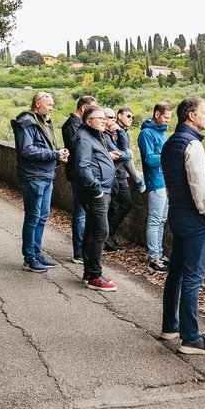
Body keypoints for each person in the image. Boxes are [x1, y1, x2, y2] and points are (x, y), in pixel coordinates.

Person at [160, 96, 205, 354]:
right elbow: (198, 184)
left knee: (176, 273)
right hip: (195, 218)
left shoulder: (170, 143)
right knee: (193, 278)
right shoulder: (192, 145)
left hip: (177, 213)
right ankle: (191, 337)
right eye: (204, 112)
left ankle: (170, 326)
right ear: (190, 115)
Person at [11, 92, 68, 272]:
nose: (51, 108)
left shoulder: (44, 122)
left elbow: (44, 147)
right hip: (33, 176)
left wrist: (58, 152)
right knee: (33, 217)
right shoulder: (26, 123)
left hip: (46, 175)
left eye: (52, 105)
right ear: (37, 104)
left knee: (42, 217)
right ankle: (29, 257)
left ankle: (37, 253)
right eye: (49, 105)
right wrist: (54, 154)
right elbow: (26, 150)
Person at [72, 107, 118, 292]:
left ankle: (89, 272)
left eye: (104, 118)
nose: (103, 121)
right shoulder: (84, 138)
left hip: (102, 190)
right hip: (96, 192)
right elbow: (82, 167)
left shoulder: (95, 135)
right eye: (99, 118)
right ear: (88, 120)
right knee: (101, 232)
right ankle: (96, 277)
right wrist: (97, 189)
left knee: (92, 231)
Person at [61, 95, 98, 261]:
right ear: (84, 109)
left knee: (83, 213)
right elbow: (78, 151)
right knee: (80, 214)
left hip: (80, 172)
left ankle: (84, 249)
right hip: (78, 174)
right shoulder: (72, 126)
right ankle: (79, 252)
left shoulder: (77, 125)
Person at [137, 102, 172, 272]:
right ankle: (154, 258)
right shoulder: (146, 134)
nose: (168, 121)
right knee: (155, 220)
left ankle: (159, 254)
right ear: (157, 114)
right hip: (155, 182)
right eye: (166, 117)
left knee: (162, 220)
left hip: (165, 182)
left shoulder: (163, 134)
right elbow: (149, 159)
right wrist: (168, 155)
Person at [104, 107, 144, 251]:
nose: (130, 119)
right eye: (128, 116)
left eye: (132, 117)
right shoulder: (108, 134)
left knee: (126, 204)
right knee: (112, 208)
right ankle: (106, 238)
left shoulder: (120, 132)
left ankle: (108, 235)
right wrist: (136, 178)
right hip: (114, 176)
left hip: (121, 176)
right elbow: (125, 155)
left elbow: (124, 154)